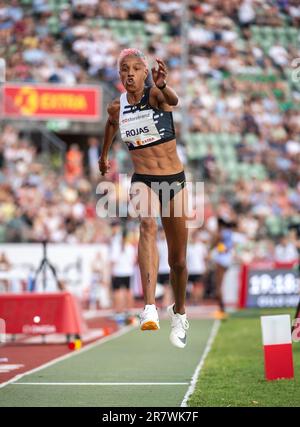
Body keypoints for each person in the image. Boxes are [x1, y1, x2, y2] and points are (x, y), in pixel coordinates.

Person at [99, 48, 189, 348]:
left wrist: (163, 85)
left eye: (136, 68)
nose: (130, 73)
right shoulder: (117, 107)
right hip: (144, 180)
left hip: (174, 181)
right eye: (124, 68)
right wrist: (103, 156)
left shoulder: (155, 96)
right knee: (147, 225)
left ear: (145, 73)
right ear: (120, 74)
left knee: (178, 261)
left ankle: (179, 312)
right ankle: (149, 307)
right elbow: (111, 126)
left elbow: (173, 101)